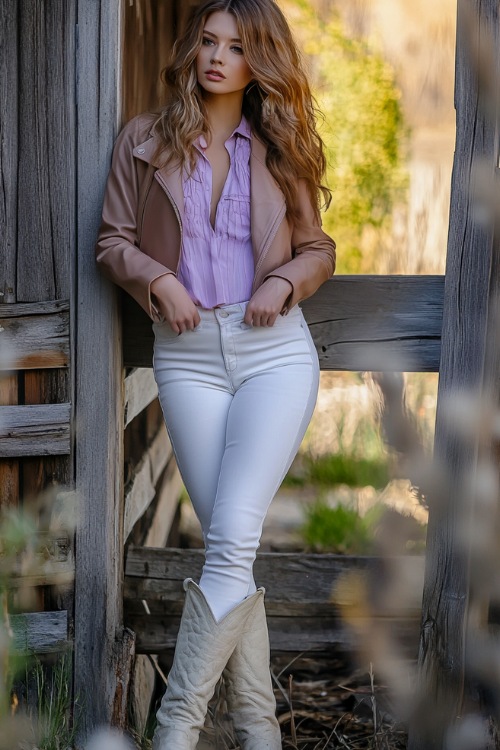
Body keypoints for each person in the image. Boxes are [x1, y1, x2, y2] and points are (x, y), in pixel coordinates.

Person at [96, 0, 336, 747]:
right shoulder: (144, 139)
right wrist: (158, 282)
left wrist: (283, 283)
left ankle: (176, 729)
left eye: (235, 46)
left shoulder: (281, 145)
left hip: (273, 354)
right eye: (208, 41)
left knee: (230, 539)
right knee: (231, 547)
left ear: (257, 59)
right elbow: (112, 242)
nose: (216, 57)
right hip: (189, 359)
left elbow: (318, 248)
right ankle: (261, 732)